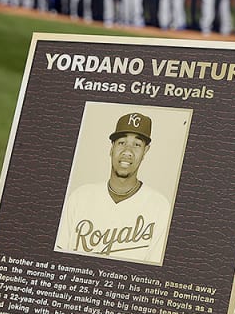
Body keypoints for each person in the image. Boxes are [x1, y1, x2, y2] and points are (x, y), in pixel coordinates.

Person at [56, 112, 171, 265]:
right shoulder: (80, 197)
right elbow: (58, 259)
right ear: (112, 148)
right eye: (122, 142)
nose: (127, 151)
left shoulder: (160, 207)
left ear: (145, 151)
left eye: (137, 145)